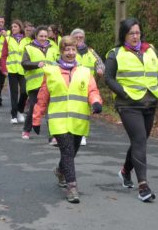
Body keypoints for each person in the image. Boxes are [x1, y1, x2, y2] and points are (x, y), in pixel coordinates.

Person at [33, 36, 103, 203]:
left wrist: (96, 102)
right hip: (58, 121)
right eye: (67, 50)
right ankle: (72, 188)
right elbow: (43, 97)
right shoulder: (51, 71)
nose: (70, 53)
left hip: (79, 120)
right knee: (67, 152)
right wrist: (36, 118)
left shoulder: (85, 72)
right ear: (61, 52)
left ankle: (60, 170)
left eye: (73, 49)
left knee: (72, 151)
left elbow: (92, 90)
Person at [105, 18, 158, 202]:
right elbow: (108, 78)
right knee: (139, 140)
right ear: (124, 34)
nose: (135, 36)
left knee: (140, 141)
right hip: (128, 104)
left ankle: (125, 172)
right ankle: (143, 186)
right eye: (131, 33)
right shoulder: (115, 53)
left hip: (149, 102)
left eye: (137, 32)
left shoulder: (151, 50)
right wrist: (123, 93)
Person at [21, 25, 59, 139]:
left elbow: (59, 61)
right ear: (36, 36)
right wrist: (37, 64)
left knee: (52, 109)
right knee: (33, 107)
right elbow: (24, 63)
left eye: (45, 36)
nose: (43, 38)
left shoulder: (53, 47)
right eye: (41, 36)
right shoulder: (29, 48)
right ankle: (26, 130)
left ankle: (53, 134)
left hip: (50, 82)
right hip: (35, 84)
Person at [71, 28, 105, 146]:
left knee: (84, 112)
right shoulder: (70, 51)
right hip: (72, 86)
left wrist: (100, 69)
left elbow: (100, 63)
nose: (79, 39)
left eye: (81, 37)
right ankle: (71, 132)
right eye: (76, 37)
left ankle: (82, 135)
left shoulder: (91, 51)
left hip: (88, 86)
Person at [0, 19, 27, 124]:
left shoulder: (27, 40)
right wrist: (4, 68)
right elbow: (4, 55)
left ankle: (20, 110)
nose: (13, 28)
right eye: (12, 27)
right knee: (14, 93)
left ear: (20, 28)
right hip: (11, 69)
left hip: (23, 70)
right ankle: (14, 115)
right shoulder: (8, 39)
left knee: (25, 91)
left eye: (15, 26)